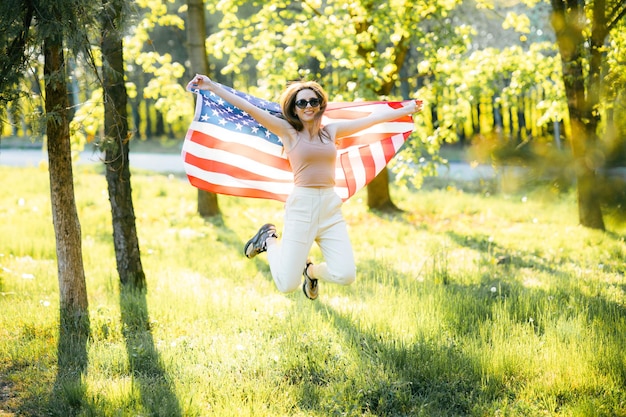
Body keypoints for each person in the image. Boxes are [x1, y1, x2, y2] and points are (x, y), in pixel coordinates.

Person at [187, 74, 423, 300]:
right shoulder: (288, 133)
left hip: (330, 207)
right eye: (302, 102)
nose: (308, 106)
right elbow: (250, 109)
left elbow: (369, 121)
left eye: (314, 101)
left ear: (321, 105)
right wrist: (212, 86)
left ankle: (311, 272)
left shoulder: (331, 132)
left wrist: (406, 110)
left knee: (346, 275)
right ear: (294, 108)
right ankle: (268, 240)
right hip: (302, 208)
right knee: (286, 285)